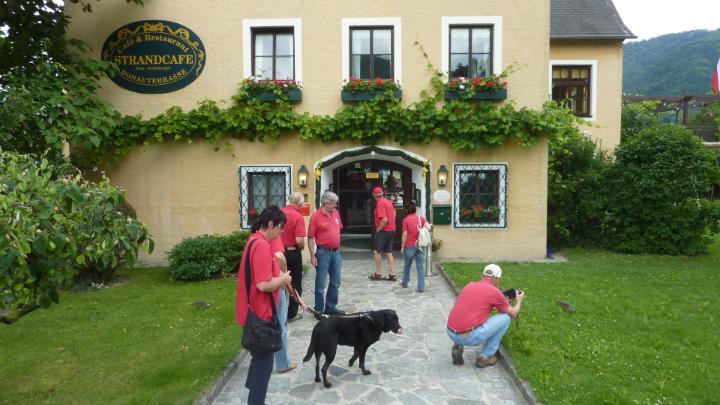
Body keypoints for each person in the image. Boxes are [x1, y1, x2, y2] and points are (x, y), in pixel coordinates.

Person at [235, 206, 292, 405]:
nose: (282, 231)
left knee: (258, 361)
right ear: (270, 224)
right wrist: (283, 278)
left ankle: (254, 395)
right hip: (260, 316)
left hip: (255, 312)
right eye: (280, 226)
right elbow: (262, 284)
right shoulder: (260, 246)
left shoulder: (253, 241)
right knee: (264, 366)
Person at [446, 264, 525, 368]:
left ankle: (457, 346)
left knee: (468, 315)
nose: (499, 282)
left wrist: (500, 302)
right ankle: (485, 357)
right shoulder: (494, 292)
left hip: (451, 332)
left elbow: (481, 305)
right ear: (496, 278)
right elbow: (513, 313)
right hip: (469, 337)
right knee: (506, 318)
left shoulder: (470, 285)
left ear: (484, 275)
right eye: (499, 279)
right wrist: (519, 301)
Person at [307, 191, 345, 318]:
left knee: (336, 281)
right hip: (322, 253)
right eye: (334, 203)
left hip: (336, 253)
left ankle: (331, 307)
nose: (335, 206)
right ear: (326, 203)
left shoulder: (336, 213)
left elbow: (338, 229)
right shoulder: (316, 216)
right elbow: (310, 237)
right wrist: (313, 255)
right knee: (321, 283)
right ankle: (319, 310)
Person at [280, 192, 307, 323]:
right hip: (292, 252)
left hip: (278, 252)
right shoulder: (298, 216)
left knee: (279, 282)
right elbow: (299, 240)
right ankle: (291, 314)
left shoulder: (279, 212)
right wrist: (301, 247)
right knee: (295, 283)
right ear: (300, 204)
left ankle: (277, 314)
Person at [368, 186, 397, 281]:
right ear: (382, 193)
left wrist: (378, 229)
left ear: (373, 195)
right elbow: (394, 214)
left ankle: (378, 273)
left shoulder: (380, 203)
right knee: (388, 252)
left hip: (383, 231)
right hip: (391, 230)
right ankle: (393, 274)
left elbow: (384, 219)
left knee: (377, 251)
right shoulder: (388, 202)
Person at [400, 201, 430, 292]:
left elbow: (405, 234)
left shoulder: (405, 220)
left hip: (410, 245)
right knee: (420, 266)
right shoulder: (421, 218)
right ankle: (421, 287)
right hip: (420, 245)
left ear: (406, 210)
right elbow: (428, 227)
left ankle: (405, 282)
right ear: (415, 210)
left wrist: (402, 246)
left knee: (407, 265)